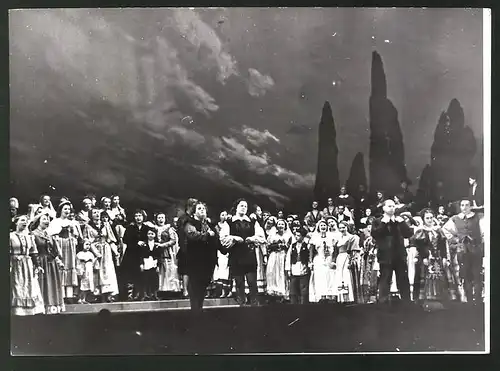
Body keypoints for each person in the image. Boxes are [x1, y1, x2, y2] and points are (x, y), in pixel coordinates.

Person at [219, 198, 265, 306]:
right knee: (239, 284)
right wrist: (234, 238)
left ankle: (254, 306)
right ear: (236, 207)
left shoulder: (252, 222)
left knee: (252, 283)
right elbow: (223, 238)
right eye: (241, 206)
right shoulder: (230, 222)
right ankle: (241, 306)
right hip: (236, 256)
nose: (243, 208)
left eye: (245, 206)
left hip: (249, 256)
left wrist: (253, 239)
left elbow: (262, 237)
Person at [371, 199, 413, 304]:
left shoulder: (399, 220)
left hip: (399, 255)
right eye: (389, 206)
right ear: (384, 208)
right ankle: (382, 302)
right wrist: (383, 224)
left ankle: (406, 301)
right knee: (385, 278)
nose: (392, 208)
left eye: (393, 206)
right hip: (385, 255)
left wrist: (402, 222)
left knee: (403, 278)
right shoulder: (377, 221)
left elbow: (408, 234)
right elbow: (375, 235)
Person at [442, 198, 484, 303]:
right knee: (465, 274)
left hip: (476, 250)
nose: (464, 207)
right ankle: (469, 299)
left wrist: (480, 243)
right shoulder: (455, 219)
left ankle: (478, 299)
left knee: (477, 274)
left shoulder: (478, 217)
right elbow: (445, 230)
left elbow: (484, 232)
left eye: (466, 205)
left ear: (470, 207)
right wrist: (455, 240)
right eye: (462, 205)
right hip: (462, 251)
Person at [184, 201, 219, 312]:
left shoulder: (208, 224)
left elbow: (216, 239)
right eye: (199, 209)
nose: (202, 210)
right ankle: (195, 310)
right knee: (195, 285)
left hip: (207, 260)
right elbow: (193, 236)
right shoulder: (189, 223)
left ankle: (199, 308)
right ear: (194, 212)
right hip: (194, 259)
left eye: (203, 208)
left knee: (203, 285)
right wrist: (207, 234)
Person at [412, 208, 449, 305]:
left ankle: (439, 297)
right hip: (425, 257)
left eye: (431, 217)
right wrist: (424, 257)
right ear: (423, 219)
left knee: (439, 275)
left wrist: (444, 257)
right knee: (423, 275)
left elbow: (443, 244)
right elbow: (420, 246)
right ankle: (422, 299)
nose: (429, 220)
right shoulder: (421, 231)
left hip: (437, 257)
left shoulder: (438, 230)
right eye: (427, 218)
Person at [30, 213, 65, 314]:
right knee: (42, 284)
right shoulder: (33, 234)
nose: (47, 221)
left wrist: (58, 260)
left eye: (48, 219)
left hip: (51, 263)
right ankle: (42, 308)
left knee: (52, 284)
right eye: (44, 219)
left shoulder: (49, 235)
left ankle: (52, 308)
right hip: (40, 262)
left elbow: (55, 250)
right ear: (38, 221)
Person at [10, 215, 45, 315]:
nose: (24, 222)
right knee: (17, 285)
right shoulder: (10, 236)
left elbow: (33, 252)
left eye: (26, 221)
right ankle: (17, 311)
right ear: (16, 222)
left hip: (27, 265)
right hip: (15, 264)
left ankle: (29, 311)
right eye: (22, 220)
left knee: (29, 286)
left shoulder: (29, 237)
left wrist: (37, 265)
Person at [47, 200, 81, 303]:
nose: (67, 211)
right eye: (65, 209)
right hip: (60, 246)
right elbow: (50, 235)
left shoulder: (71, 222)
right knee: (61, 267)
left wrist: (72, 236)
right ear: (60, 210)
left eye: (69, 209)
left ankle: (69, 295)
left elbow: (76, 235)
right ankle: (61, 294)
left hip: (69, 247)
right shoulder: (55, 221)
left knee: (69, 267)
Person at [83, 210, 119, 303]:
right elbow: (86, 240)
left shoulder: (106, 225)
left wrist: (115, 251)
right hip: (94, 249)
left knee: (107, 270)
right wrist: (95, 252)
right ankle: (96, 295)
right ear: (91, 215)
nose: (97, 214)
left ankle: (107, 294)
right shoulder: (88, 226)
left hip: (105, 250)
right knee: (96, 271)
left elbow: (110, 239)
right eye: (94, 213)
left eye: (98, 212)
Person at [120, 210, 151, 301]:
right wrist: (136, 242)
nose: (138, 217)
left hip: (143, 253)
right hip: (132, 254)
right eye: (136, 216)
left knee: (143, 274)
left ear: (143, 217)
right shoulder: (130, 228)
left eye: (140, 215)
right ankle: (130, 294)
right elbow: (126, 240)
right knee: (130, 274)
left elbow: (151, 238)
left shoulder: (147, 228)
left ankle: (142, 294)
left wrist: (145, 243)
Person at [308, 219, 338, 302]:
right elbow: (311, 251)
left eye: (324, 225)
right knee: (320, 277)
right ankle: (321, 296)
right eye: (321, 225)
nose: (323, 227)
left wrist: (334, 260)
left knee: (329, 277)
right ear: (318, 227)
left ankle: (330, 296)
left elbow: (335, 250)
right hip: (319, 259)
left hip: (329, 259)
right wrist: (310, 262)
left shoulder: (332, 237)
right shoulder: (315, 238)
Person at [333, 221, 361, 303]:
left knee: (346, 275)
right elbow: (335, 251)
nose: (342, 229)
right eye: (340, 228)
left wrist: (350, 261)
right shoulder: (338, 238)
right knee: (340, 276)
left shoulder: (352, 237)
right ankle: (341, 298)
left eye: (343, 227)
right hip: (339, 258)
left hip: (347, 257)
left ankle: (349, 298)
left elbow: (353, 251)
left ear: (347, 227)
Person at [176, 198, 199, 298]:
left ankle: (193, 289)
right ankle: (185, 290)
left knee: (194, 269)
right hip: (186, 247)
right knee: (186, 269)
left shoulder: (194, 218)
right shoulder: (184, 218)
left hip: (195, 246)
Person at [266, 219, 292, 302]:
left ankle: (283, 293)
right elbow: (268, 245)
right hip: (274, 255)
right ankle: (273, 293)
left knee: (282, 273)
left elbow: (290, 247)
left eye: (282, 224)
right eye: (279, 224)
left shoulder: (288, 235)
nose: (280, 226)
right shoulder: (273, 235)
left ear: (285, 226)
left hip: (283, 256)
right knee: (272, 272)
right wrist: (275, 246)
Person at [155, 212, 181, 295]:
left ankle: (171, 289)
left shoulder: (169, 228)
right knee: (159, 270)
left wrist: (163, 245)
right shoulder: (154, 228)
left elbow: (173, 240)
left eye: (162, 217)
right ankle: (161, 289)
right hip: (156, 252)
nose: (160, 219)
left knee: (169, 269)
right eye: (159, 218)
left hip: (166, 251)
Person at [285, 227, 311, 304]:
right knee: (293, 289)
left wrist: (308, 266)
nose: (296, 237)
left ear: (303, 236)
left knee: (303, 288)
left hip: (303, 268)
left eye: (298, 235)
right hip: (294, 268)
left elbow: (309, 256)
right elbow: (288, 257)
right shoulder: (292, 246)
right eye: (296, 235)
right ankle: (294, 304)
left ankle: (304, 304)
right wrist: (288, 269)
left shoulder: (307, 245)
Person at [139, 228, 161, 301]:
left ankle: (154, 294)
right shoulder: (144, 244)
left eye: (152, 234)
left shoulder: (157, 244)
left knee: (154, 278)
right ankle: (145, 294)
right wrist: (141, 264)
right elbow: (141, 255)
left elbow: (158, 255)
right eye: (149, 234)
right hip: (146, 261)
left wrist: (158, 265)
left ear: (155, 235)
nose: (150, 235)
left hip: (154, 262)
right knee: (145, 278)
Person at [214, 210, 231, 298]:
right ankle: (219, 291)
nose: (224, 216)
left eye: (225, 215)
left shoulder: (229, 226)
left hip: (227, 249)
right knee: (219, 270)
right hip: (219, 250)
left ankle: (227, 290)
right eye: (222, 215)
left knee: (226, 270)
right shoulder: (216, 226)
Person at [76, 240, 96, 304]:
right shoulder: (79, 254)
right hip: (82, 270)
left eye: (89, 245)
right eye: (86, 244)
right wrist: (80, 270)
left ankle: (84, 298)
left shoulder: (90, 254)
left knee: (87, 284)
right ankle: (79, 298)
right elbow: (77, 263)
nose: (88, 246)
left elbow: (93, 263)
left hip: (89, 270)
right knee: (82, 284)